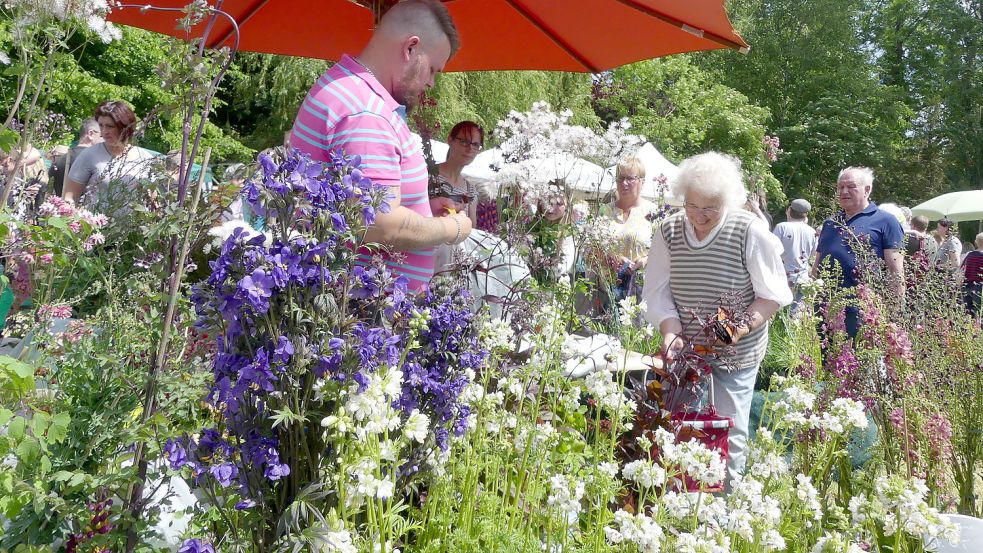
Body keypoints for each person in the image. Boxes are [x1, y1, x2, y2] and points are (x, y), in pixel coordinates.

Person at [289, 0, 470, 292]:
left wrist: (422, 209)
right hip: (362, 316)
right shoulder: (366, 112)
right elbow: (379, 224)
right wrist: (451, 229)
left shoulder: (349, 86)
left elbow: (364, 205)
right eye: (434, 69)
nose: (432, 83)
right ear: (411, 48)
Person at [642, 152, 792, 489]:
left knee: (731, 425)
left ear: (726, 202)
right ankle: (684, 496)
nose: (699, 215)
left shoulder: (748, 230)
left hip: (736, 352)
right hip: (686, 349)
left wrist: (737, 329)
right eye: (692, 205)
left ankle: (728, 502)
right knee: (682, 423)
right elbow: (656, 290)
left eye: (709, 208)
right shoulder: (668, 231)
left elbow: (772, 296)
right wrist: (670, 330)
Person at [813, 167, 905, 339]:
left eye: (851, 186)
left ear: (867, 190)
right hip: (826, 309)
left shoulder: (886, 221)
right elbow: (817, 267)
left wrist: (894, 314)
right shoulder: (830, 223)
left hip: (862, 312)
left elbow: (896, 272)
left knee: (860, 362)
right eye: (840, 187)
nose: (844, 191)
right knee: (827, 363)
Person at [63, 100, 154, 215]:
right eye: (101, 125)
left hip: (134, 230)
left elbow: (153, 201)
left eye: (110, 126)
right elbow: (70, 197)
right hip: (95, 228)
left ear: (124, 127)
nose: (104, 132)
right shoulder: (89, 156)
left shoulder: (145, 158)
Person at [597, 157, 659, 301]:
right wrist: (611, 259)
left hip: (642, 290)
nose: (624, 183)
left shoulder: (655, 212)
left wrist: (646, 260)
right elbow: (592, 249)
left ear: (642, 181)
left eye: (630, 178)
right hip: (607, 289)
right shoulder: (605, 211)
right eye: (620, 178)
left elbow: (668, 250)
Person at [432, 121, 482, 226]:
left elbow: (472, 230)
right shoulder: (428, 175)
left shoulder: (470, 190)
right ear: (450, 140)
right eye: (464, 141)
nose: (470, 149)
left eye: (476, 145)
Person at [772, 198, 817, 315]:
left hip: (782, 277)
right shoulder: (812, 232)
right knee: (795, 316)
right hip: (803, 279)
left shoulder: (781, 227)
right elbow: (813, 254)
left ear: (789, 210)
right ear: (805, 215)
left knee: (777, 315)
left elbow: (772, 250)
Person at [49, 118, 103, 197]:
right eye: (102, 135)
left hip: (59, 207)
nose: (105, 139)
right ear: (91, 134)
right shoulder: (95, 161)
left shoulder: (59, 160)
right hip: (82, 207)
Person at [962, 233, 983, 316]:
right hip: (980, 288)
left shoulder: (970, 255)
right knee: (979, 313)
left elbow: (962, 269)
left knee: (968, 314)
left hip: (967, 287)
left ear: (976, 242)